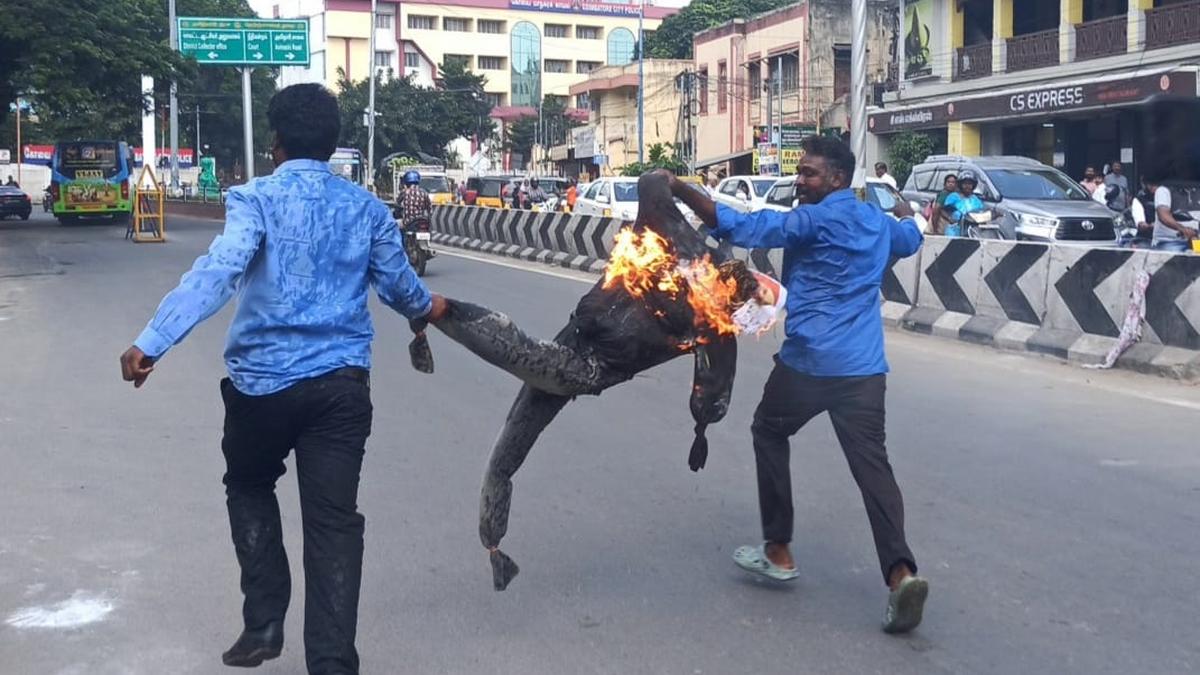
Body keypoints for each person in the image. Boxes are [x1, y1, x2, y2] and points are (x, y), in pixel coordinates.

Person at [119, 83, 446, 674]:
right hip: (341, 390)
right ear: (333, 143)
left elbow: (220, 271)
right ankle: (332, 663)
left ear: (274, 142)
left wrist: (154, 340)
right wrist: (430, 310)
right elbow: (402, 290)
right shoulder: (367, 209)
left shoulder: (255, 199)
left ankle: (264, 623)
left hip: (259, 390)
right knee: (333, 523)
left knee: (248, 486)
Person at [666, 136, 929, 635]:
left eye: (808, 174)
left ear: (835, 180)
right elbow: (911, 237)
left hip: (809, 365)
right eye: (800, 172)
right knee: (873, 467)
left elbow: (742, 225)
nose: (799, 182)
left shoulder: (815, 219)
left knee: (767, 431)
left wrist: (678, 186)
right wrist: (910, 213)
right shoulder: (875, 222)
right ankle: (901, 575)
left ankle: (779, 549)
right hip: (865, 370)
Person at [1145, 171, 1197, 252]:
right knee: (1174, 261)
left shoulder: (1196, 191)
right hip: (1170, 241)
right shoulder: (1164, 190)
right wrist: (1182, 229)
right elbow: (1163, 215)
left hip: (1195, 241)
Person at [942, 170, 984, 237]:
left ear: (973, 185)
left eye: (970, 184)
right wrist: (950, 219)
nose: (967, 186)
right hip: (955, 231)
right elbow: (943, 210)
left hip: (972, 231)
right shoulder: (953, 197)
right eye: (965, 184)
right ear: (961, 184)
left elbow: (981, 212)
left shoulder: (975, 199)